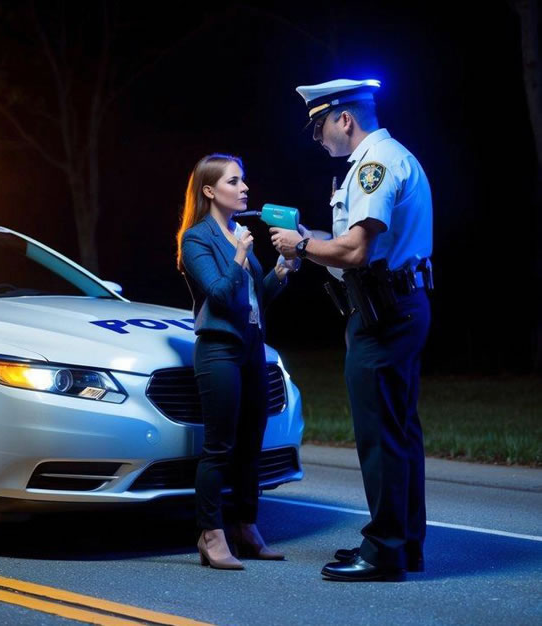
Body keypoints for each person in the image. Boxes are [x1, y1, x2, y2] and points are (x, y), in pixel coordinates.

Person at [270, 79, 433, 582]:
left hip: (383, 314)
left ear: (345, 119)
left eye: (319, 127)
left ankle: (384, 549)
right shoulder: (388, 159)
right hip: (400, 304)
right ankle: (403, 544)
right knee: (400, 430)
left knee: (380, 435)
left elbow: (356, 252)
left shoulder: (374, 166)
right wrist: (312, 237)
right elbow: (350, 244)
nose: (318, 139)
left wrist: (299, 248)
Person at [177, 154, 293, 570]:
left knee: (250, 445)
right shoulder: (197, 239)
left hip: (251, 349)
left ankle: (246, 527)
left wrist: (278, 274)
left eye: (244, 181)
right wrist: (241, 254)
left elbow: (252, 297)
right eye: (234, 181)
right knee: (219, 447)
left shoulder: (235, 232)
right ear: (210, 190)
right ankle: (211, 535)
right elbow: (220, 295)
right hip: (218, 350)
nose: (245, 188)